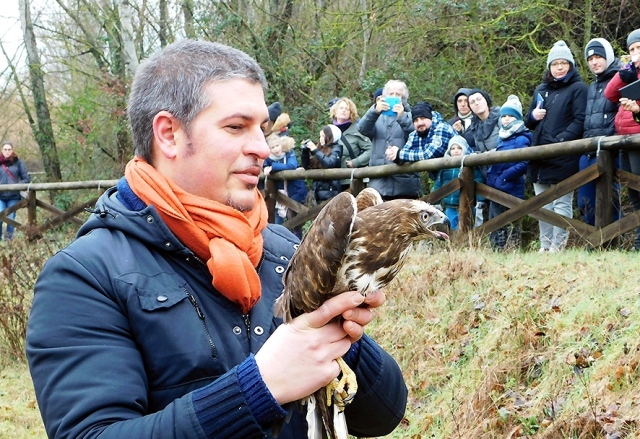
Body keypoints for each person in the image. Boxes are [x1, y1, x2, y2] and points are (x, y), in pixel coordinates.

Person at [25, 40, 407, 439]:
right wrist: (259, 388)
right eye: (236, 127)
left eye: (262, 129)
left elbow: (383, 416)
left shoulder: (284, 249)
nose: (262, 148)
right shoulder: (84, 277)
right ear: (169, 135)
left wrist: (337, 324)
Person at [525, 40, 588, 253]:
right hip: (539, 157)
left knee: (561, 203)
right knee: (542, 205)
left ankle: (558, 248)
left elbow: (580, 120)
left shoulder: (578, 88)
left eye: (563, 63)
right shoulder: (541, 90)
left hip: (564, 156)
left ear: (570, 65)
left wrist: (562, 141)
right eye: (555, 64)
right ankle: (545, 246)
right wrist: (533, 116)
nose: (559, 67)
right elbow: (529, 122)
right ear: (549, 67)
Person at [578, 38, 621, 226]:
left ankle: (611, 244)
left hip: (611, 150)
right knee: (584, 202)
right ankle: (592, 242)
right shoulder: (592, 87)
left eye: (598, 57)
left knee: (610, 200)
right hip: (588, 150)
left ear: (608, 57)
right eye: (591, 59)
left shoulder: (621, 78)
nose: (594, 62)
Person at [604, 28, 640, 250]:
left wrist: (637, 108)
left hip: (638, 137)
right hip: (623, 137)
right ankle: (638, 240)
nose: (635, 53)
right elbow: (609, 94)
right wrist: (622, 74)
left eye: (639, 48)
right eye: (632, 49)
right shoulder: (628, 72)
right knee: (633, 191)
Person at [358, 79, 420, 200]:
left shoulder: (412, 116)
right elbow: (362, 129)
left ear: (404, 98)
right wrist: (374, 111)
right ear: (385, 96)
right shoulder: (377, 117)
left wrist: (402, 117)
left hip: (405, 183)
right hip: (378, 183)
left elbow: (416, 136)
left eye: (398, 94)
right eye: (391, 94)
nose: (395, 97)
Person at [486, 95, 532, 251]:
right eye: (504, 116)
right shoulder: (502, 137)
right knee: (496, 222)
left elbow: (524, 162)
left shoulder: (522, 138)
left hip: (511, 187)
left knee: (511, 223)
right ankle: (497, 251)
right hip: (496, 188)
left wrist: (505, 178)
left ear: (517, 118)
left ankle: (512, 250)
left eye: (510, 116)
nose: (506, 119)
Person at [430, 135, 482, 231]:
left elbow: (479, 183)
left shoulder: (470, 164)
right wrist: (435, 201)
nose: (456, 150)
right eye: (453, 148)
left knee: (467, 228)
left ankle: (466, 244)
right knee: (451, 229)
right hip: (450, 206)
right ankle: (454, 244)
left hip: (468, 205)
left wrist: (481, 201)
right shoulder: (445, 166)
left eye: (459, 148)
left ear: (464, 149)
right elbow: (438, 184)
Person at [385, 101, 457, 165]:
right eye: (416, 120)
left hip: (462, 172)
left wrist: (399, 154)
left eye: (423, 118)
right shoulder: (414, 135)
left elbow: (429, 154)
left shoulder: (442, 127)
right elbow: (404, 155)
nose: (420, 123)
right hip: (443, 175)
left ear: (430, 118)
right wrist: (393, 155)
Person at [467, 88, 500, 226]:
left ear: (486, 100)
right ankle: (497, 245)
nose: (476, 103)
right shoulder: (475, 126)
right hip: (486, 173)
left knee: (507, 208)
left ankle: (510, 244)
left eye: (479, 99)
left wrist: (492, 153)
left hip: (504, 168)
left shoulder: (500, 116)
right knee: (492, 210)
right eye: (472, 102)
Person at [263, 134, 308, 227]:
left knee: (295, 220)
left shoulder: (289, 152)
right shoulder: (267, 158)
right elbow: (264, 166)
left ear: (281, 145)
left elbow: (291, 166)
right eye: (272, 148)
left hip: (295, 190)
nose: (276, 149)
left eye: (277, 146)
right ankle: (277, 238)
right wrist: (265, 168)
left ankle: (297, 240)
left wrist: (273, 167)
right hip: (279, 194)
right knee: (278, 219)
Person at [329, 97, 372, 191]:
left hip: (352, 181)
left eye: (347, 109)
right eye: (341, 108)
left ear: (351, 112)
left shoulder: (358, 129)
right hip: (332, 182)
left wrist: (356, 162)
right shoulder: (329, 130)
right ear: (335, 111)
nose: (344, 110)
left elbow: (371, 149)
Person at [301, 124, 343, 203]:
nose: (321, 139)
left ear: (331, 137)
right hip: (317, 191)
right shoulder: (320, 149)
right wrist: (305, 152)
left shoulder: (336, 149)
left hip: (330, 191)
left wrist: (315, 150)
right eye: (320, 136)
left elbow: (329, 163)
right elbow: (307, 166)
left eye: (324, 136)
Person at [0, 141, 30, 240]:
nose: (7, 152)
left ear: (12, 150)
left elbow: (26, 179)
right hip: (0, 196)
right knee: (0, 217)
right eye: (5, 149)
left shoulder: (18, 162)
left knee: (11, 219)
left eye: (9, 149)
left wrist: (17, 186)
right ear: (2, 150)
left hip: (13, 196)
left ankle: (8, 240)